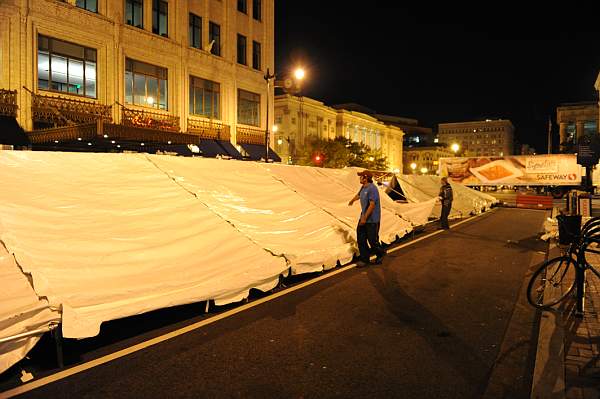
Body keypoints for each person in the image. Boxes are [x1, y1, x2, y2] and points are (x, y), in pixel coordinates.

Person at [348, 170, 385, 267]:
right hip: (363, 217)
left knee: (372, 240)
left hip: (372, 219)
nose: (359, 178)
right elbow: (359, 195)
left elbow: (372, 205)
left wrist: (364, 218)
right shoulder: (363, 187)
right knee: (361, 239)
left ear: (366, 178)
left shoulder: (372, 189)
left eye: (361, 177)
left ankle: (380, 253)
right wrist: (352, 200)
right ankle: (365, 259)